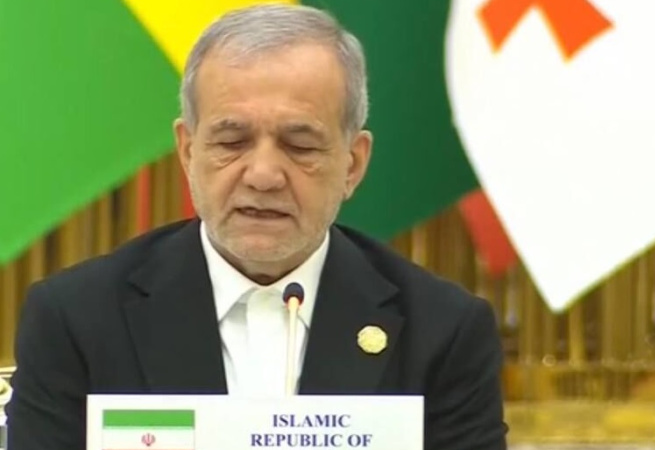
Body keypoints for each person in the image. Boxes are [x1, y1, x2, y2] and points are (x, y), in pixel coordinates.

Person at [4, 4, 508, 449]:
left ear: (353, 164)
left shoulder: (443, 331)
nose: (263, 175)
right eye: (232, 141)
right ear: (188, 151)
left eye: (300, 145)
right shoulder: (77, 318)